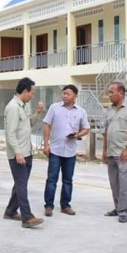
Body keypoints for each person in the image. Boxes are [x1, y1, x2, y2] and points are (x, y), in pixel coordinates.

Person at [42, 84, 90, 217]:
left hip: (70, 151)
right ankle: (49, 206)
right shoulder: (54, 108)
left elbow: (86, 129)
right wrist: (46, 144)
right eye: (64, 93)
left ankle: (65, 205)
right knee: (52, 179)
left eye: (68, 94)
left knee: (68, 180)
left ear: (75, 96)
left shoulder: (81, 111)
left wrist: (77, 135)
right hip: (55, 150)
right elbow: (47, 125)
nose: (65, 96)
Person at [3, 77, 45, 229]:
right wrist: (18, 153)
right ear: (25, 91)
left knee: (20, 184)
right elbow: (10, 133)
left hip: (27, 151)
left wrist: (38, 112)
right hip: (18, 154)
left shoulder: (23, 106)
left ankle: (10, 211)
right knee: (21, 186)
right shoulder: (13, 107)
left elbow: (29, 124)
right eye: (32, 93)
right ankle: (27, 217)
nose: (32, 96)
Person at [102, 81, 127, 223]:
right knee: (114, 182)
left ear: (121, 93)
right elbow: (106, 130)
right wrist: (104, 150)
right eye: (109, 92)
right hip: (111, 151)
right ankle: (118, 207)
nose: (109, 95)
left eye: (112, 92)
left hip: (123, 152)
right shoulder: (110, 109)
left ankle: (124, 211)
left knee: (123, 182)